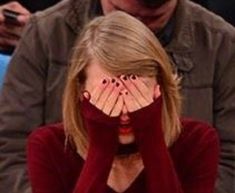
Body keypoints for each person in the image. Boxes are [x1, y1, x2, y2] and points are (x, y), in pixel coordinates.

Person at [0, 0, 234, 193]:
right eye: (109, 89)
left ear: (160, 89)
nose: (123, 110)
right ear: (81, 92)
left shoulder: (197, 140)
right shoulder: (49, 145)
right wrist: (101, 147)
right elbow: (11, 148)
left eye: (134, 89)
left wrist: (151, 138)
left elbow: (229, 163)